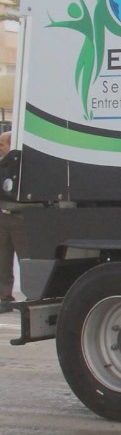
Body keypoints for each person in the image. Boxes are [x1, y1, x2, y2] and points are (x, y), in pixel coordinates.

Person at [0, 131, 28, 312]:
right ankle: (4, 297)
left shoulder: (23, 166)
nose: (0, 148)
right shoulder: (3, 165)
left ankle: (32, 298)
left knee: (26, 261)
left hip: (21, 219)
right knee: (3, 259)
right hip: (3, 216)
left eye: (2, 144)